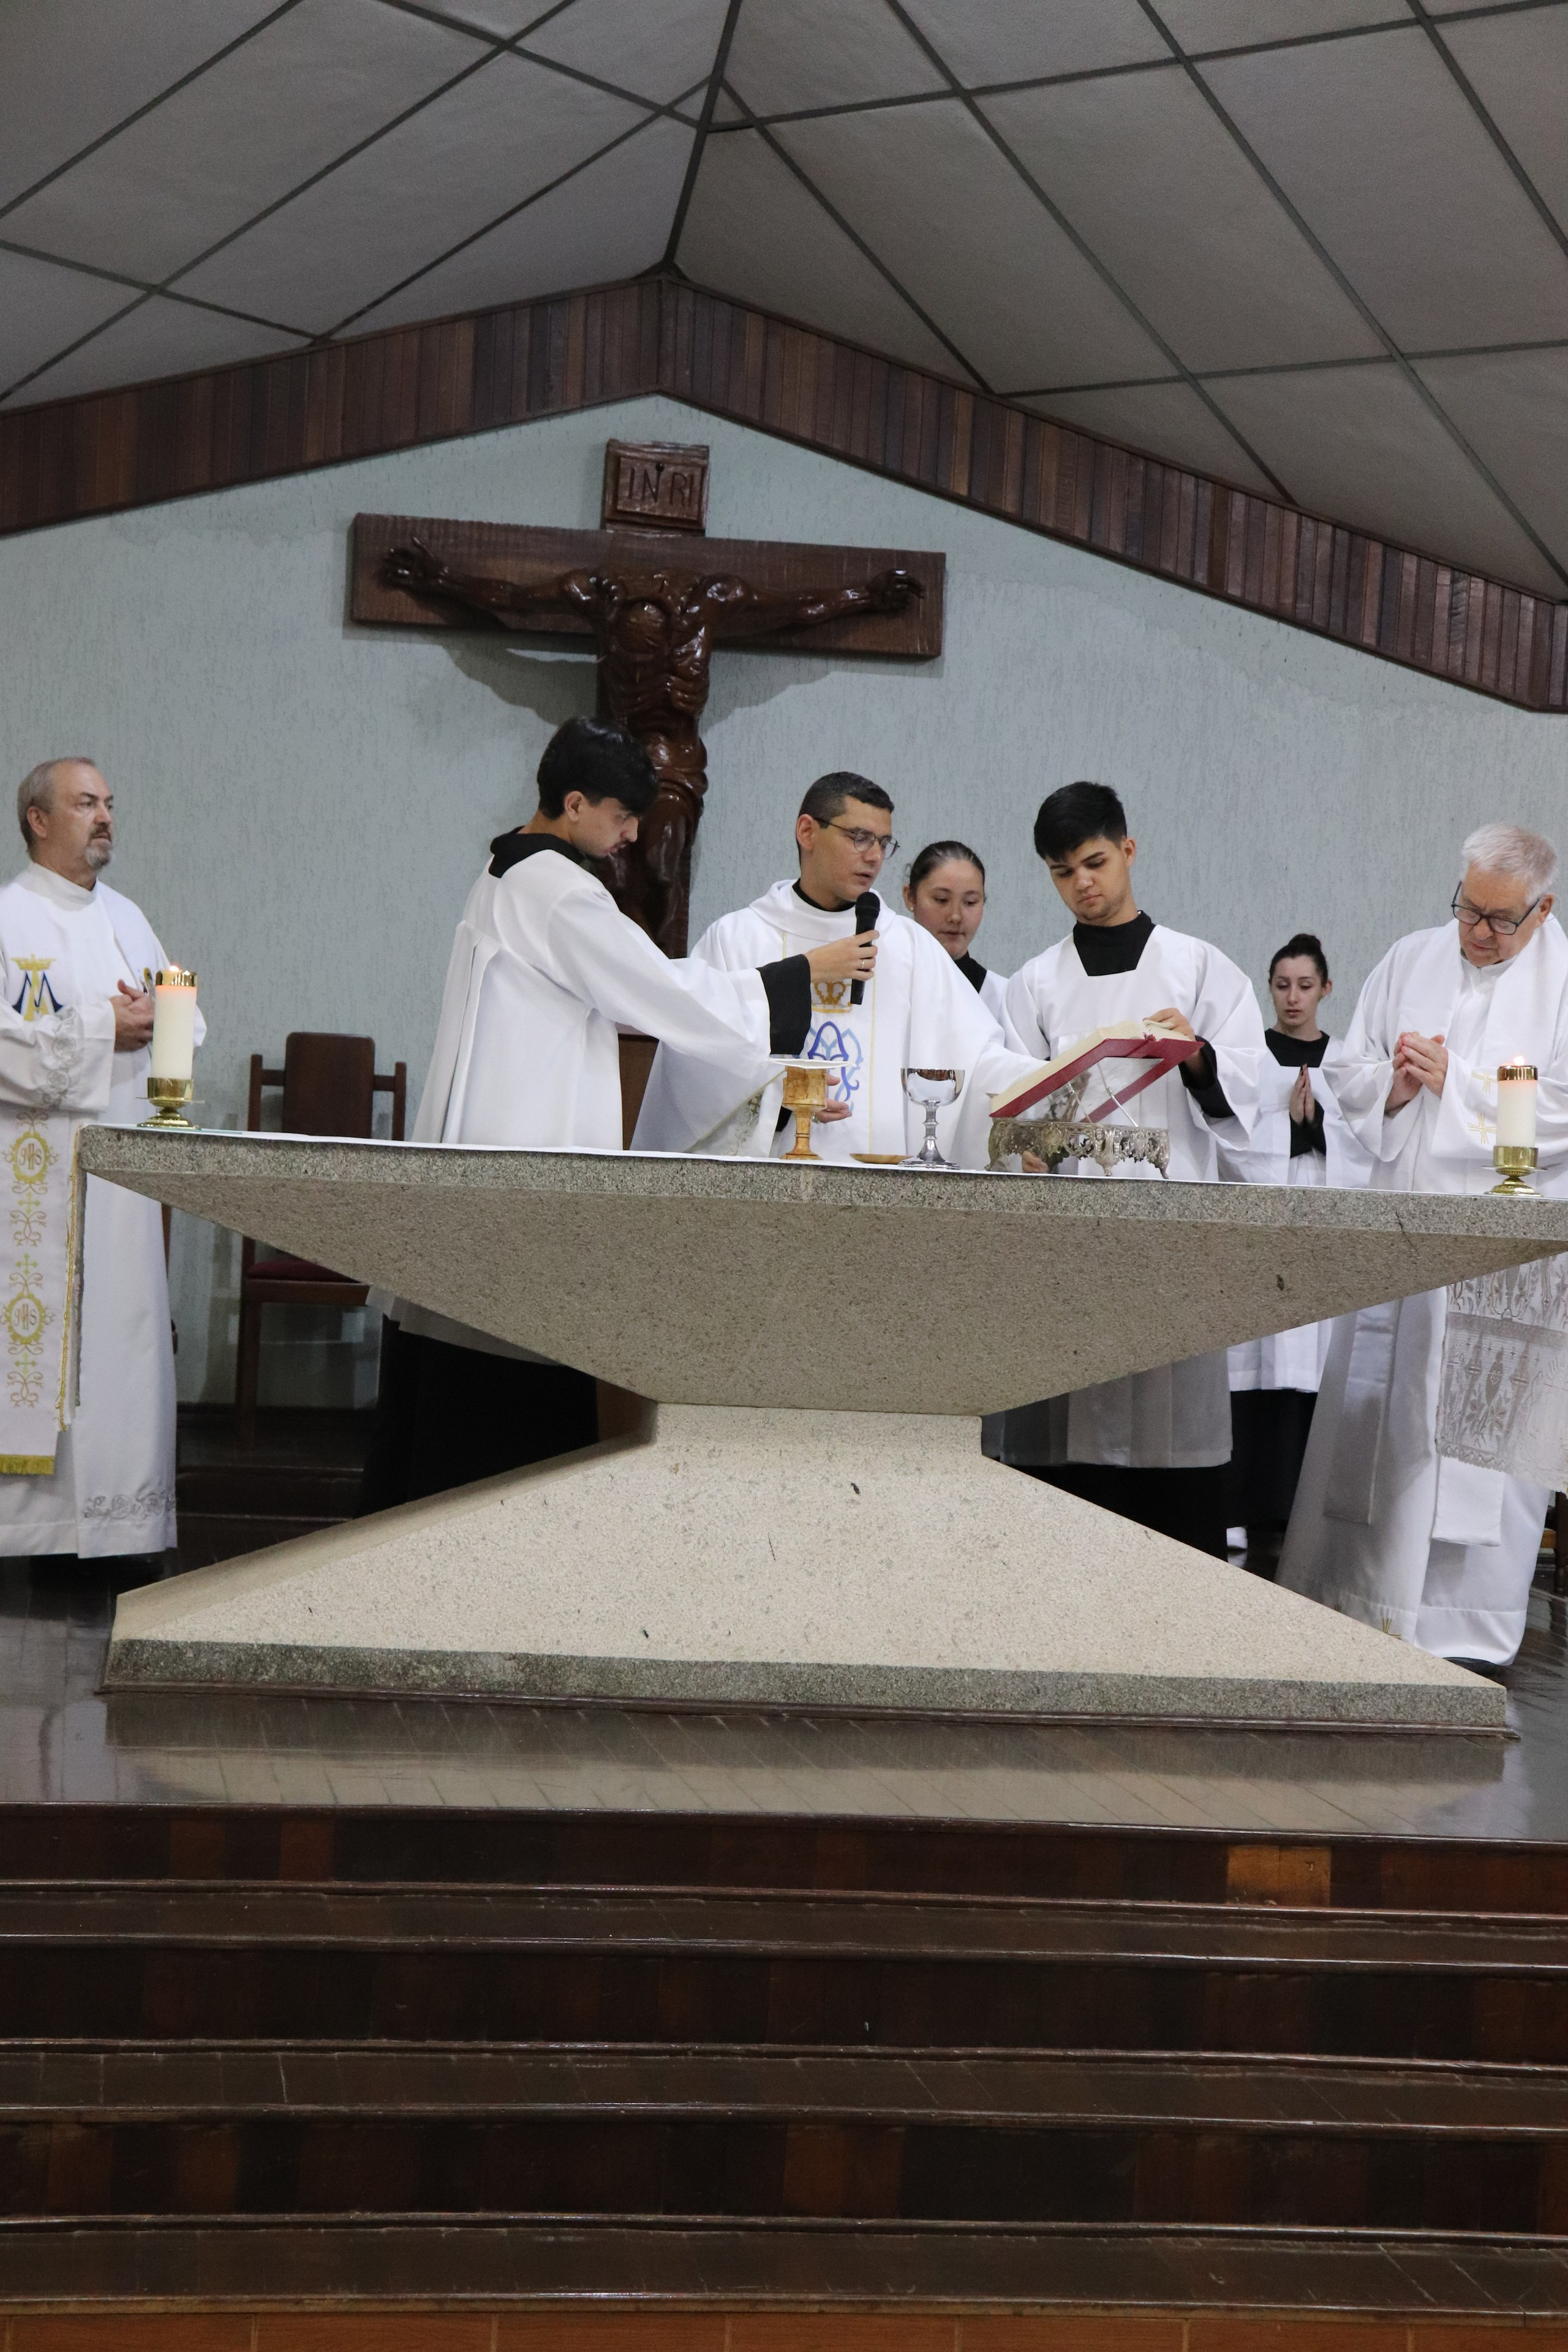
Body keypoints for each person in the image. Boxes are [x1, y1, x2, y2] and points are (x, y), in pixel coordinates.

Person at [363, 715, 867, 1509]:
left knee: (461, 1366)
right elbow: (656, 991)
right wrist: (792, 977)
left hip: (488, 1150)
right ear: (572, 803)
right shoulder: (560, 891)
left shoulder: (502, 870)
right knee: (511, 1376)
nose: (632, 835)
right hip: (527, 1158)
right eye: (622, 816)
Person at [1279, 823, 1568, 1665]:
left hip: (1504, 1256)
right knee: (1386, 1423)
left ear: (1544, 909)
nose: (1476, 932)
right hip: (1407, 1240)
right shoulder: (1411, 958)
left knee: (1484, 1438)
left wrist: (1464, 1086)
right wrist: (1398, 1087)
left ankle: (1463, 1630)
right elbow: (1349, 1068)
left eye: (1500, 920)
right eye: (1467, 908)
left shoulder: (1564, 980)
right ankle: (1353, 1600)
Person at [987, 781, 1265, 1558]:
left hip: (1171, 1237)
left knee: (1169, 1428)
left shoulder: (1199, 969)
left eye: (1095, 861)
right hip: (1069, 1242)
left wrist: (1200, 1059)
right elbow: (1011, 1111)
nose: (1082, 883)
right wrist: (1029, 1144)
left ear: (1128, 850)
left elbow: (1253, 1104)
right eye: (1061, 871)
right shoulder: (1033, 984)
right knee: (1071, 1429)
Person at [0, 758, 203, 1561]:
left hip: (118, 1179)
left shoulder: (128, 917)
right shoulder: (7, 920)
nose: (106, 816)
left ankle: (119, 1530)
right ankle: (28, 1531)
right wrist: (100, 1031)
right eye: (86, 803)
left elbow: (183, 1024)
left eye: (111, 803)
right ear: (38, 819)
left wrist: (161, 1018)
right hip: (29, 1174)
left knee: (119, 1332)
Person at [633, 774, 1034, 1166]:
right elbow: (693, 1065)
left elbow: (976, 1061)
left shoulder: (908, 946)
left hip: (883, 1190)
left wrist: (1051, 1081)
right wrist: (781, 1094)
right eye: (859, 837)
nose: (875, 856)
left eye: (884, 842)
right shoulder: (738, 939)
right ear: (807, 832)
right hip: (767, 1185)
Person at [1226, 933, 1372, 1573]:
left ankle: (1307, 1518)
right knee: (1254, 1364)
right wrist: (1284, 1128)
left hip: (1319, 1237)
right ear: (1269, 987)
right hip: (1259, 1242)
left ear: (1326, 990)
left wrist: (1314, 1127)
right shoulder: (1248, 1060)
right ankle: (1247, 1509)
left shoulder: (1345, 1064)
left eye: (1304, 986)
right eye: (1281, 985)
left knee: (1313, 1365)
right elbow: (1226, 1142)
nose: (1292, 998)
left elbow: (1367, 1149)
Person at [902, 840, 1009, 1022]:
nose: (955, 916)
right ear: (910, 897)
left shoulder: (1003, 999)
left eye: (970, 902)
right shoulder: (884, 982)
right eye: (941, 900)